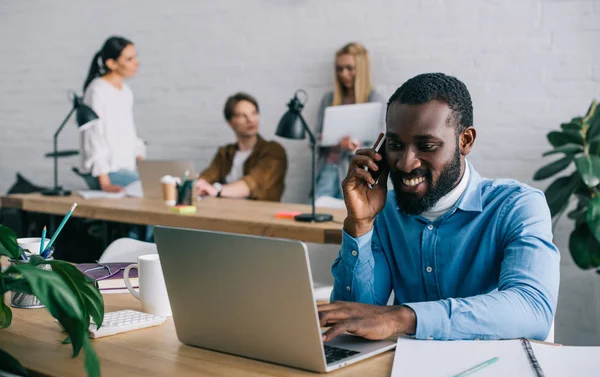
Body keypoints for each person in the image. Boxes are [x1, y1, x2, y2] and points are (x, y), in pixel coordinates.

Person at [318, 73, 559, 342]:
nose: (405, 163)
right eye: (396, 145)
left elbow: (532, 309)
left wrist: (404, 317)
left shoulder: (517, 206)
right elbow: (352, 319)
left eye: (427, 146)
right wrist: (360, 224)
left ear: (465, 141)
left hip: (488, 370)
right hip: (400, 372)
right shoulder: (384, 213)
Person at [314, 42, 384, 200]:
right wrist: (336, 143)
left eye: (349, 68)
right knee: (318, 211)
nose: (343, 74)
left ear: (361, 69)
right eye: (339, 69)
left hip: (357, 172)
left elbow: (379, 144)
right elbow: (314, 139)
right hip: (328, 170)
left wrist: (355, 147)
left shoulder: (374, 100)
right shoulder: (329, 99)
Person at [79, 36, 145, 193]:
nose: (137, 63)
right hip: (105, 173)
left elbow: (128, 133)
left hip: (126, 169)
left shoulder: (126, 92)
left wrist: (143, 164)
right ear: (111, 63)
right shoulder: (97, 91)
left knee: (161, 185)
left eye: (135, 57)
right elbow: (93, 138)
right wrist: (105, 183)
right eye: (129, 59)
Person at [195, 93, 288, 202]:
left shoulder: (274, 151)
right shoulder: (225, 153)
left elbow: (252, 184)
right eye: (242, 115)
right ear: (231, 123)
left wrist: (217, 190)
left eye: (254, 113)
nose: (250, 120)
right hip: (226, 213)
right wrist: (199, 184)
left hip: (258, 215)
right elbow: (207, 176)